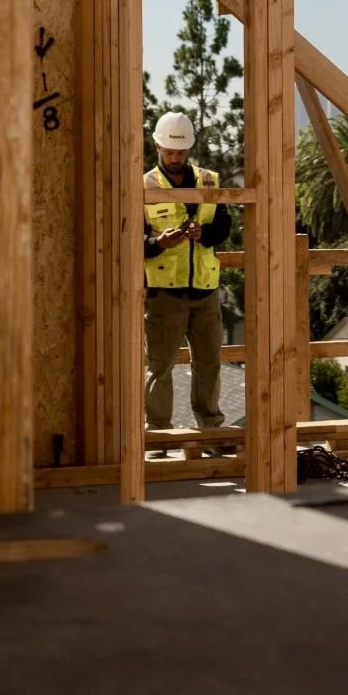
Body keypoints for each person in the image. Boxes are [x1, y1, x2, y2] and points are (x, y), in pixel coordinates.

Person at [143, 111, 232, 451]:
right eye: (169, 151)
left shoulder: (209, 181)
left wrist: (204, 233)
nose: (176, 157)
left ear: (191, 149)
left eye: (181, 152)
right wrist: (157, 244)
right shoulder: (145, 186)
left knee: (209, 361)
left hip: (205, 289)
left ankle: (212, 431)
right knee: (160, 366)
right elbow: (131, 242)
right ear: (157, 147)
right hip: (164, 292)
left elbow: (224, 227)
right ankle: (159, 436)